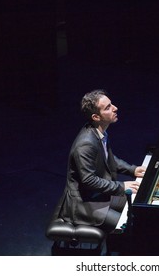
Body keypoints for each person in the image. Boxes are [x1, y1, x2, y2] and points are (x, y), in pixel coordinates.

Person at [59, 89, 146, 232]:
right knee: (130, 225)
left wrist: (132, 169)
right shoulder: (86, 144)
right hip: (84, 203)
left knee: (140, 205)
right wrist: (121, 187)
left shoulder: (99, 131)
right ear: (96, 116)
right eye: (108, 107)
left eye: (111, 104)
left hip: (97, 194)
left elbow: (108, 158)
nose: (115, 108)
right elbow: (89, 180)